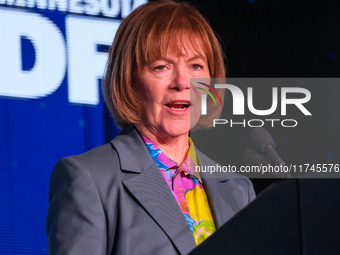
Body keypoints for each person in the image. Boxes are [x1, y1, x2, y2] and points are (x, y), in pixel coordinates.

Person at [46, 1, 256, 254]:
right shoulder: (88, 179)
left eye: (196, 66)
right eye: (161, 67)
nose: (182, 82)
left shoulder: (237, 188)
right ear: (130, 81)